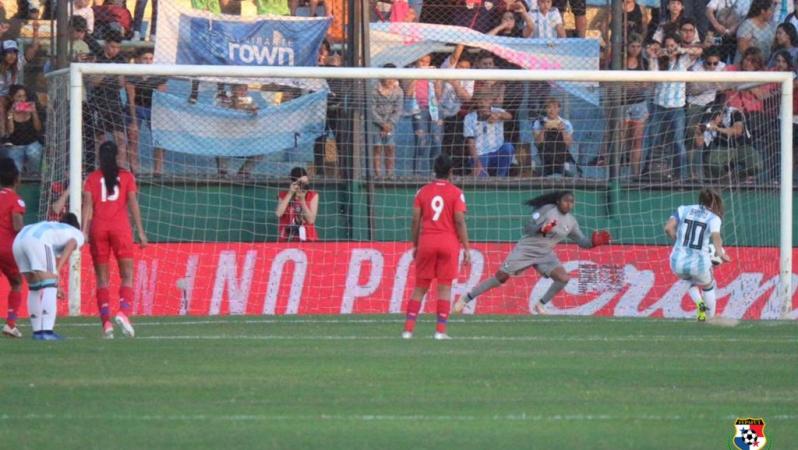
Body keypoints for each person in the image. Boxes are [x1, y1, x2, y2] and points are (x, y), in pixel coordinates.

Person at [454, 191, 611, 315]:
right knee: (501, 277)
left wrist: (594, 242)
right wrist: (541, 229)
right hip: (527, 249)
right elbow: (527, 228)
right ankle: (465, 299)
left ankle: (540, 305)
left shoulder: (571, 222)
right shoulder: (546, 210)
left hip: (545, 254)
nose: (569, 204)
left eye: (571, 202)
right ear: (558, 202)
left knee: (563, 278)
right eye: (566, 201)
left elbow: (582, 241)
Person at [82, 141, 148, 339]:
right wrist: (141, 232)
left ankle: (106, 325)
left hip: (98, 229)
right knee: (127, 274)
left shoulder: (92, 178)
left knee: (102, 279)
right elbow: (133, 204)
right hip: (120, 229)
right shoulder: (127, 176)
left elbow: (87, 206)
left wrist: (83, 231)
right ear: (118, 156)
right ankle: (123, 312)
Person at [403, 154, 470, 340]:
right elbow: (459, 220)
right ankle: (440, 332)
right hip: (448, 243)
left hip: (427, 242)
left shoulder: (422, 192)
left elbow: (415, 219)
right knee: (445, 288)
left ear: (434, 170)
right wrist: (466, 247)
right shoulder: (457, 193)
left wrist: (415, 244)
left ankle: (408, 330)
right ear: (451, 172)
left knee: (420, 287)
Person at [12, 213, 84, 340]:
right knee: (49, 285)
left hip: (18, 241)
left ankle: (37, 332)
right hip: (37, 241)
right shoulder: (76, 233)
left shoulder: (54, 228)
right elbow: (72, 243)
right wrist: (57, 272)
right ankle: (47, 331)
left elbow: (50, 264)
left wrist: (57, 279)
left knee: (35, 286)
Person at [663, 188, 730, 321]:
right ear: (714, 203)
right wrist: (719, 252)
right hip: (699, 263)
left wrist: (677, 239)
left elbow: (668, 228)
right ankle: (710, 318)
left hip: (677, 261)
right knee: (708, 285)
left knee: (687, 280)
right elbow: (716, 236)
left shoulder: (683, 209)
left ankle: (699, 304)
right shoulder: (714, 218)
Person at [124, 48, 167, 176]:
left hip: (153, 109)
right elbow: (131, 99)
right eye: (145, 58)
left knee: (159, 138)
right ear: (139, 60)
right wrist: (133, 121)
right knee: (133, 136)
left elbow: (161, 98)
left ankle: (158, 170)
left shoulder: (159, 76)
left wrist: (159, 119)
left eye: (150, 59)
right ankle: (134, 169)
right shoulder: (132, 75)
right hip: (136, 107)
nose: (148, 61)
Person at [463, 88, 514, 177]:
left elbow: (509, 116)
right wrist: (477, 162)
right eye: (480, 100)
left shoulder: (498, 112)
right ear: (476, 102)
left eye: (486, 100)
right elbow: (471, 143)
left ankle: (501, 179)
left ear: (491, 101)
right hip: (480, 154)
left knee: (508, 148)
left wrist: (499, 116)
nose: (483, 103)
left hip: (496, 152)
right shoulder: (469, 118)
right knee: (482, 177)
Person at [0, 158, 24, 338]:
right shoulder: (16, 200)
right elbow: (16, 226)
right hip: (6, 248)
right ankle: (10, 323)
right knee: (16, 282)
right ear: (16, 179)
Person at [370, 66, 403, 179]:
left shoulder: (398, 92)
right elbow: (371, 110)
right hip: (376, 123)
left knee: (390, 147)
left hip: (391, 124)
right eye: (388, 77)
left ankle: (390, 173)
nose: (390, 80)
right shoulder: (373, 90)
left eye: (393, 77)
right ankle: (377, 173)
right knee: (377, 147)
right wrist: (382, 124)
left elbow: (398, 110)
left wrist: (389, 124)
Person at [3, 84, 42, 174]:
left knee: (33, 153)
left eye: (24, 96)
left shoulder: (30, 109)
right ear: (13, 98)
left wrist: (34, 112)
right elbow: (10, 131)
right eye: (19, 96)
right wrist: (10, 115)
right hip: (16, 146)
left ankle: (33, 173)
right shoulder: (9, 111)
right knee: (16, 170)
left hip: (31, 142)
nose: (22, 99)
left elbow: (38, 128)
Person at [532, 97, 575, 177]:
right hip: (544, 157)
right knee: (537, 170)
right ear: (545, 109)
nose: (552, 110)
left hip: (560, 157)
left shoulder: (566, 123)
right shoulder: (538, 122)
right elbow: (538, 143)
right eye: (549, 107)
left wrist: (562, 130)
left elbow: (568, 144)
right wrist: (544, 129)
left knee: (569, 173)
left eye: (555, 107)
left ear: (559, 109)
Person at [275, 167, 319, 242]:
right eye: (301, 183)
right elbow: (278, 213)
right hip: (287, 238)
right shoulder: (283, 195)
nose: (303, 186)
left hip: (308, 238)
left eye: (306, 183)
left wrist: (302, 200)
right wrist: (290, 193)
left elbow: (311, 220)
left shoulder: (312, 195)